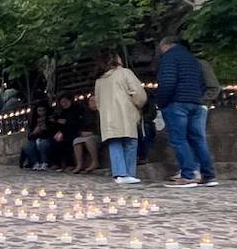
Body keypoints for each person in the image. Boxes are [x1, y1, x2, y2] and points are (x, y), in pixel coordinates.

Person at [153, 36, 218, 188]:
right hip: (196, 102)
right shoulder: (193, 60)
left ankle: (188, 175)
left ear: (166, 45)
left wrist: (161, 101)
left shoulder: (169, 58)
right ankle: (208, 175)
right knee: (198, 140)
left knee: (179, 139)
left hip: (177, 103)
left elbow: (168, 82)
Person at [95, 53, 147, 185]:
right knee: (130, 143)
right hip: (126, 114)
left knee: (114, 143)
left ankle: (120, 174)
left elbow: (98, 102)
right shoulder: (125, 73)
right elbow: (139, 94)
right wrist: (138, 105)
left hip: (108, 118)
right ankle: (129, 174)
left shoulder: (99, 80)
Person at [49, 94, 82, 170]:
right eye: (62, 102)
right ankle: (57, 163)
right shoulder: (62, 111)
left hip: (74, 131)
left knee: (67, 141)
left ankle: (70, 164)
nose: (64, 104)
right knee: (55, 141)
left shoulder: (76, 109)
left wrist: (65, 122)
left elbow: (74, 122)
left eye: (65, 102)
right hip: (64, 131)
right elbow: (60, 122)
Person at [71, 95, 101, 173]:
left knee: (89, 140)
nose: (92, 103)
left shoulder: (101, 113)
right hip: (86, 134)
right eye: (90, 101)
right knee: (76, 140)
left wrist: (91, 133)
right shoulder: (86, 113)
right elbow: (81, 125)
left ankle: (95, 162)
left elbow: (99, 128)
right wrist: (82, 132)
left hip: (97, 135)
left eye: (94, 101)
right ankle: (79, 164)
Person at [23, 105, 52, 170]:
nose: (41, 113)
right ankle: (35, 163)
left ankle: (44, 162)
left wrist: (46, 129)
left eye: (43, 110)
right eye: (39, 111)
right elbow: (29, 136)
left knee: (42, 144)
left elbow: (52, 131)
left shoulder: (49, 119)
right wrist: (34, 132)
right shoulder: (34, 121)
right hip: (35, 138)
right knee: (28, 146)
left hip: (46, 138)